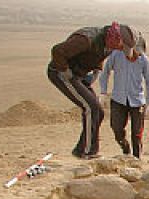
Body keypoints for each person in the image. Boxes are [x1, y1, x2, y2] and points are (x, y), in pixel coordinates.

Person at [48, 22, 141, 159]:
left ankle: (81, 150)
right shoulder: (86, 39)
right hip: (61, 73)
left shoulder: (110, 42)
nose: (121, 49)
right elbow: (57, 51)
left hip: (80, 75)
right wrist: (65, 71)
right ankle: (88, 152)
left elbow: (100, 55)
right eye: (122, 46)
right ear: (116, 38)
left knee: (99, 112)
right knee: (90, 108)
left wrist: (97, 70)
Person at [98, 27, 149, 158]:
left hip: (137, 101)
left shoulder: (144, 61)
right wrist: (103, 92)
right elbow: (105, 73)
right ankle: (124, 147)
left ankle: (136, 159)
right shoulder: (115, 56)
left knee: (137, 133)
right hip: (118, 99)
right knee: (116, 128)